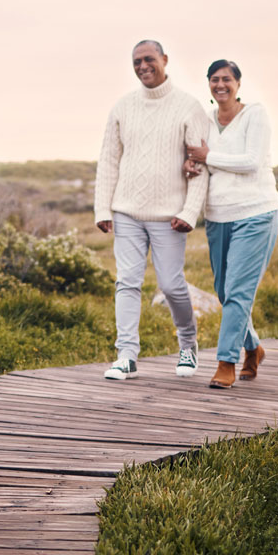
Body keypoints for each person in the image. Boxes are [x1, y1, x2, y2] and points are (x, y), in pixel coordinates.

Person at [94, 40, 208, 380]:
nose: (143, 66)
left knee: (172, 286)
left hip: (169, 217)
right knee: (127, 282)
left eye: (149, 59)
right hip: (127, 212)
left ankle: (188, 346)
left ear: (164, 60)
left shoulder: (189, 107)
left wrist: (189, 212)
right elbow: (109, 160)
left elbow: (200, 168)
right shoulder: (123, 107)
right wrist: (103, 207)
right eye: (136, 61)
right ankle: (126, 355)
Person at [184, 60, 278, 389]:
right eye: (214, 79)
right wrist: (191, 164)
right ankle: (253, 348)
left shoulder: (255, 114)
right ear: (208, 84)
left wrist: (207, 156)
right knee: (225, 291)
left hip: (256, 213)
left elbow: (252, 161)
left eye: (226, 79)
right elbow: (197, 158)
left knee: (238, 291)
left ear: (238, 83)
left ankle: (227, 362)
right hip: (218, 215)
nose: (220, 84)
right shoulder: (206, 121)